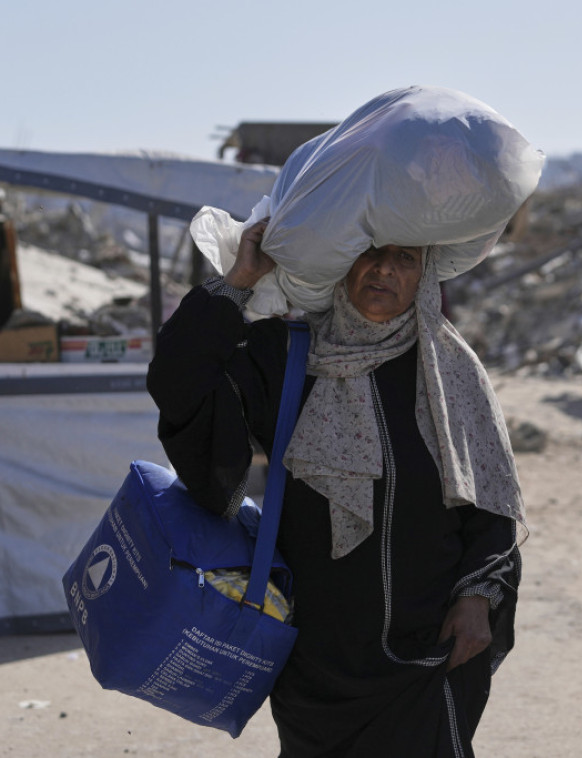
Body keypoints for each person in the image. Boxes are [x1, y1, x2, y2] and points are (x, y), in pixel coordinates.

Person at [147, 220, 526, 754]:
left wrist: (477, 598)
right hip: (315, 665)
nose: (385, 269)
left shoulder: (450, 370)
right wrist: (240, 278)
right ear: (342, 262)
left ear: (425, 275)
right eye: (371, 253)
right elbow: (178, 383)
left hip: (430, 649)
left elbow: (490, 499)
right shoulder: (286, 357)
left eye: (405, 258)